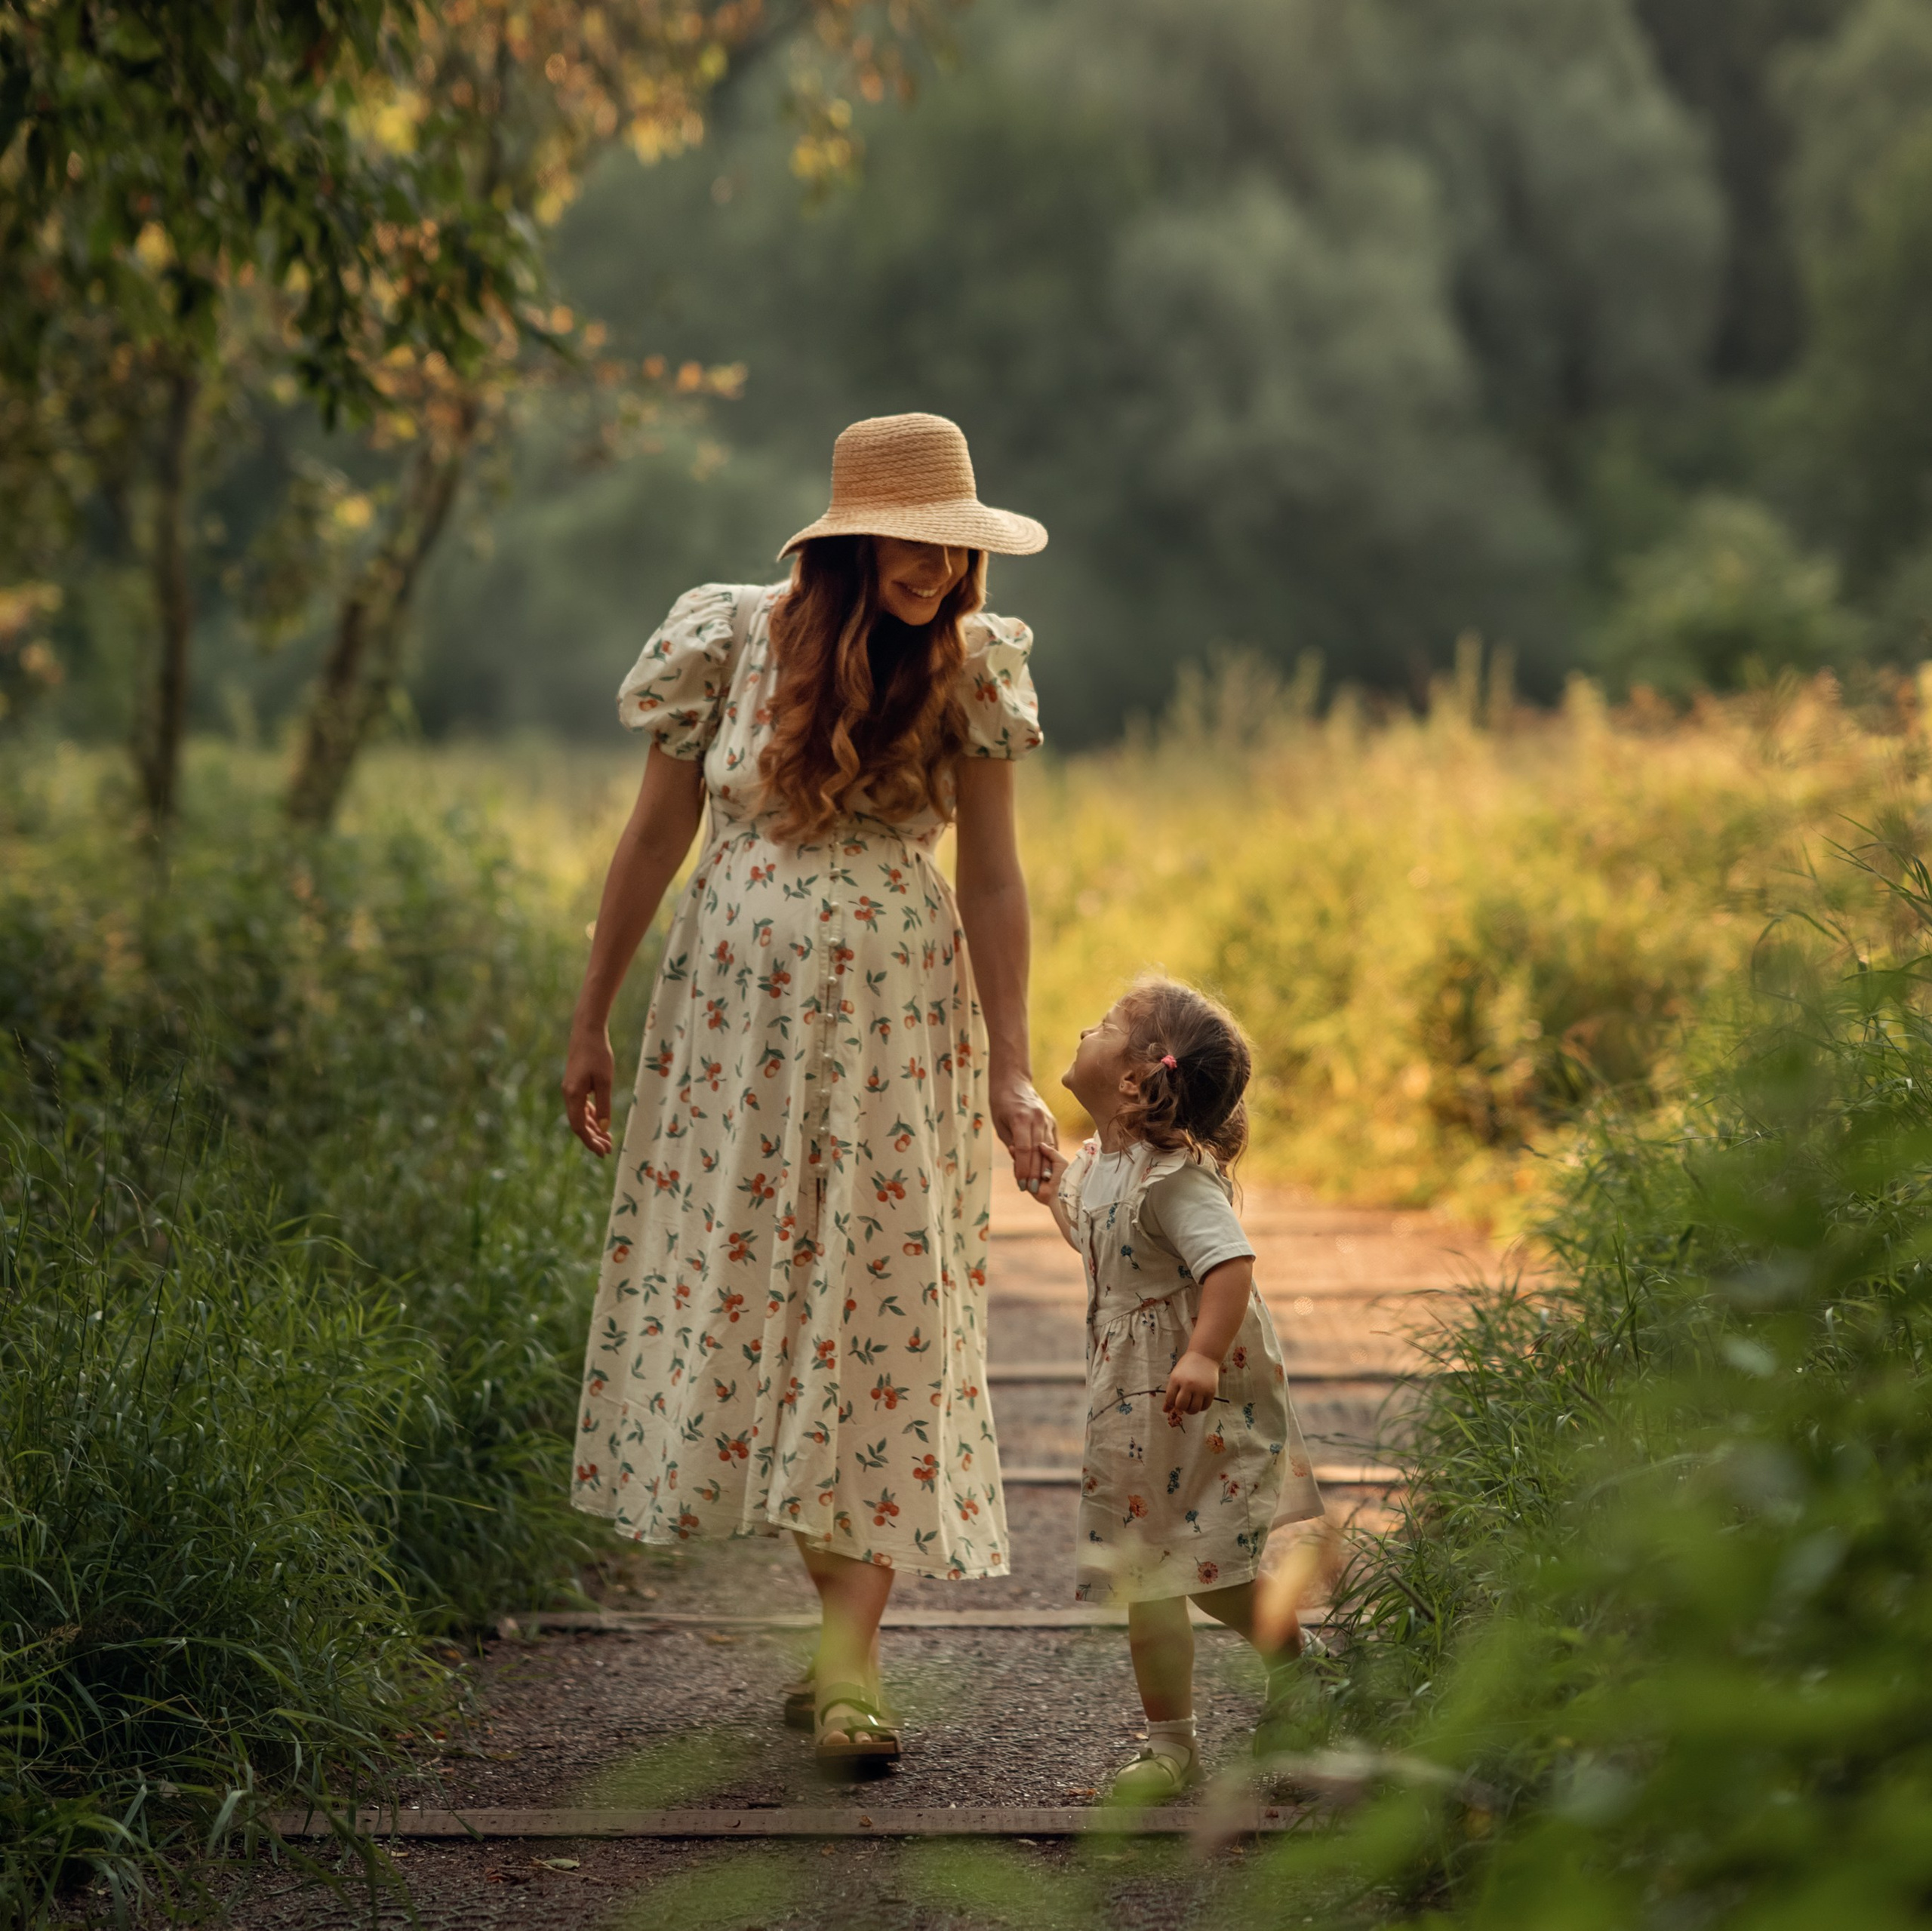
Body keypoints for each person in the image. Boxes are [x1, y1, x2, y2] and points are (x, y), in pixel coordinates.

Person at [562, 413, 1060, 1766]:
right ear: (849, 535)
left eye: (959, 552)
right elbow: (657, 830)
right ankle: (830, 1631)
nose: (940, 573)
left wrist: (1015, 1068)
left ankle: (851, 1666)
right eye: (917, 544)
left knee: (878, 1304)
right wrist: (590, 1013)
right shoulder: (727, 636)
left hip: (898, 1030)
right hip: (729, 1034)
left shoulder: (970, 663)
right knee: (766, 1303)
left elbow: (995, 878)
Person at [1028, 977, 1327, 1801]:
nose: (1084, 1029)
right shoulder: (1100, 1164)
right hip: (1131, 1411)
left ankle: (1298, 1674)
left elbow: (1228, 1265)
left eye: (1102, 1026)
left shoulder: (1175, 1180)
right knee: (1142, 1571)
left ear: (1131, 1078)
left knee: (1216, 1568)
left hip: (1200, 1405)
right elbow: (1095, 1232)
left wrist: (1199, 1354)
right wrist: (1043, 1177)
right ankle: (1170, 1746)